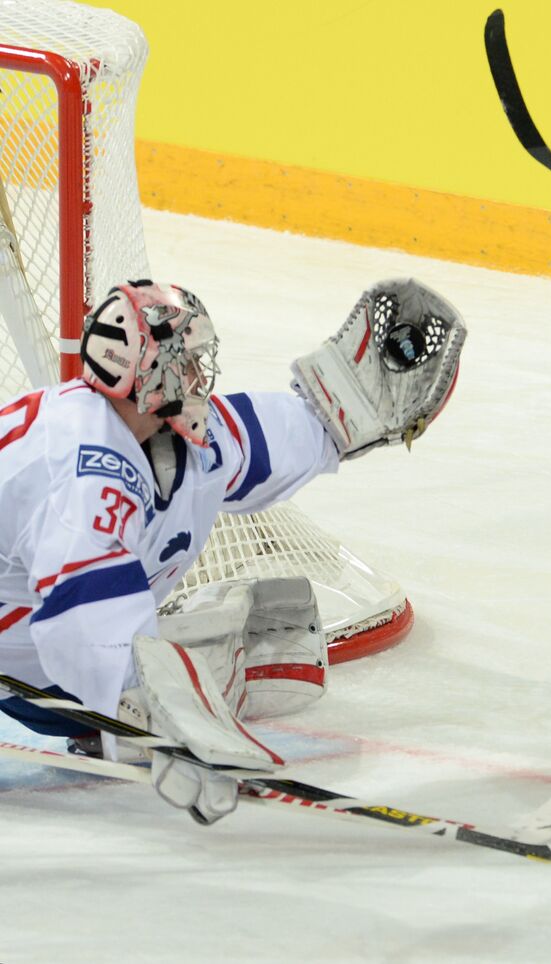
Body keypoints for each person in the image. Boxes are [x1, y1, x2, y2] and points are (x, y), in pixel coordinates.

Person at [0, 278, 465, 824]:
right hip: (35, 654)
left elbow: (271, 438)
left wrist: (345, 412)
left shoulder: (172, 432)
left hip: (37, 639)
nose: (201, 374)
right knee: (161, 678)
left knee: (276, 640)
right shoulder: (83, 479)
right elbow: (86, 635)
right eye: (188, 361)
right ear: (150, 374)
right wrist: (159, 722)